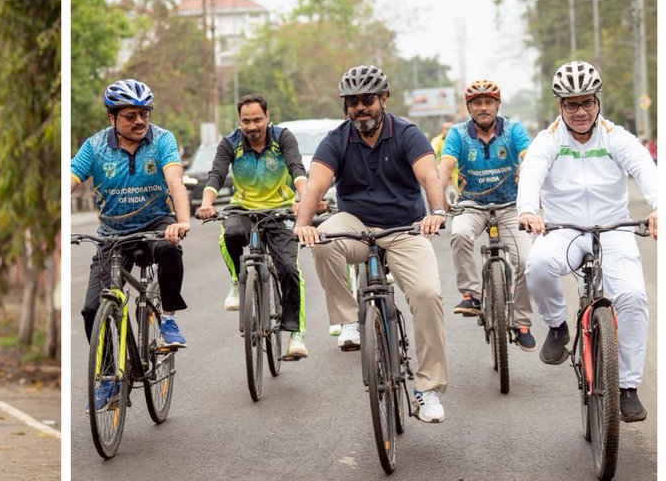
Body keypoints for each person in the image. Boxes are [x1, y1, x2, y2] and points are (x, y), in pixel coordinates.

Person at [294, 65, 449, 423]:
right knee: (323, 240)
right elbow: (316, 184)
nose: (360, 108)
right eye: (352, 102)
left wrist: (437, 212)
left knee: (427, 295)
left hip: (404, 229)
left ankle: (427, 389)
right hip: (357, 226)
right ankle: (349, 320)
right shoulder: (336, 140)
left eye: (367, 100)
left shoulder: (407, 134)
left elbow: (429, 175)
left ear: (383, 99)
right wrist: (302, 224)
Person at [516, 61, 658, 422]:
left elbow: (646, 170)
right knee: (537, 265)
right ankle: (557, 325)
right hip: (564, 229)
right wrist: (529, 210)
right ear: (560, 106)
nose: (580, 112)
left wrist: (659, 207)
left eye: (587, 103)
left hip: (613, 230)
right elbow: (531, 174)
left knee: (633, 297)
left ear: (598, 102)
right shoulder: (548, 140)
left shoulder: (616, 137)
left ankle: (628, 387)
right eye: (571, 105)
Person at [70, 79, 191, 349]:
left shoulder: (162, 139)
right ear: (112, 118)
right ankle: (107, 369)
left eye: (144, 113)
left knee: (170, 249)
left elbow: (175, 181)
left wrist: (183, 221)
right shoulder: (95, 146)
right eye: (130, 116)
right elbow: (69, 179)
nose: (140, 121)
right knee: (92, 310)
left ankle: (168, 319)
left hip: (156, 221)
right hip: (113, 234)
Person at [195, 94, 310, 359]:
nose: (252, 126)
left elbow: (297, 169)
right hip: (243, 209)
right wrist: (206, 203)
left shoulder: (282, 138)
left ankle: (296, 333)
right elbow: (217, 175)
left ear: (267, 117)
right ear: (240, 121)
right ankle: (237, 281)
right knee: (230, 234)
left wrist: (303, 200)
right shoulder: (230, 143)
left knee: (289, 267)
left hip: (279, 211)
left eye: (257, 119)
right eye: (246, 121)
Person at [437, 79, 535, 350]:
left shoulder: (513, 129)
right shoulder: (457, 134)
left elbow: (530, 158)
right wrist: (438, 203)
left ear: (497, 105)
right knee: (458, 234)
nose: (483, 107)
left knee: (526, 260)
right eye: (477, 103)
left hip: (511, 206)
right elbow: (445, 167)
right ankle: (471, 294)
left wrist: (535, 188)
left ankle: (522, 322)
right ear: (468, 107)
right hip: (472, 204)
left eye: (488, 102)